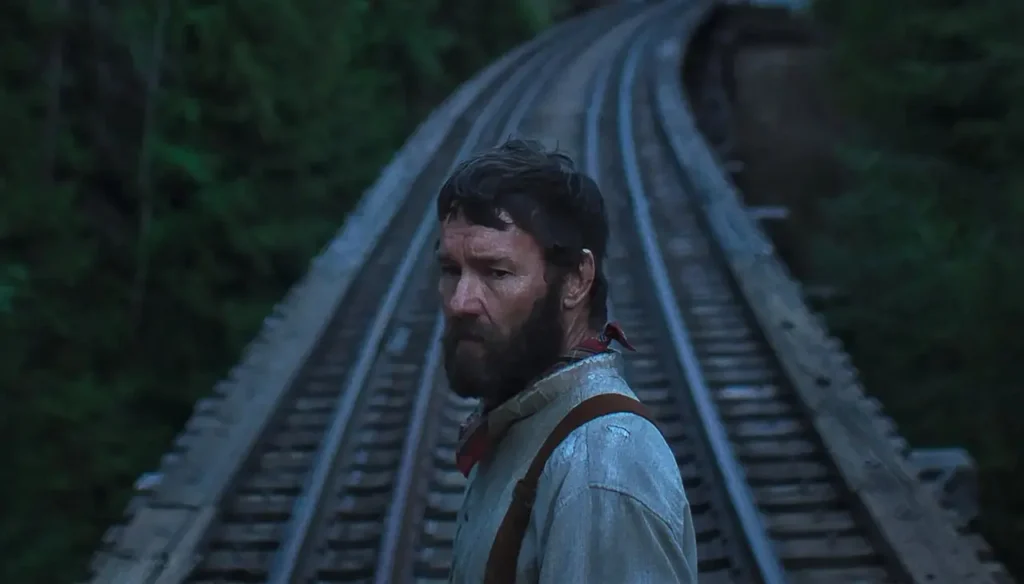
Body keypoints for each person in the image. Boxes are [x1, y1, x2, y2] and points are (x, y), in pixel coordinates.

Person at [436, 138, 698, 583]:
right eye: (450, 271)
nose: (461, 301)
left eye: (495, 273)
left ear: (577, 280)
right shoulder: (528, 424)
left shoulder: (600, 469)